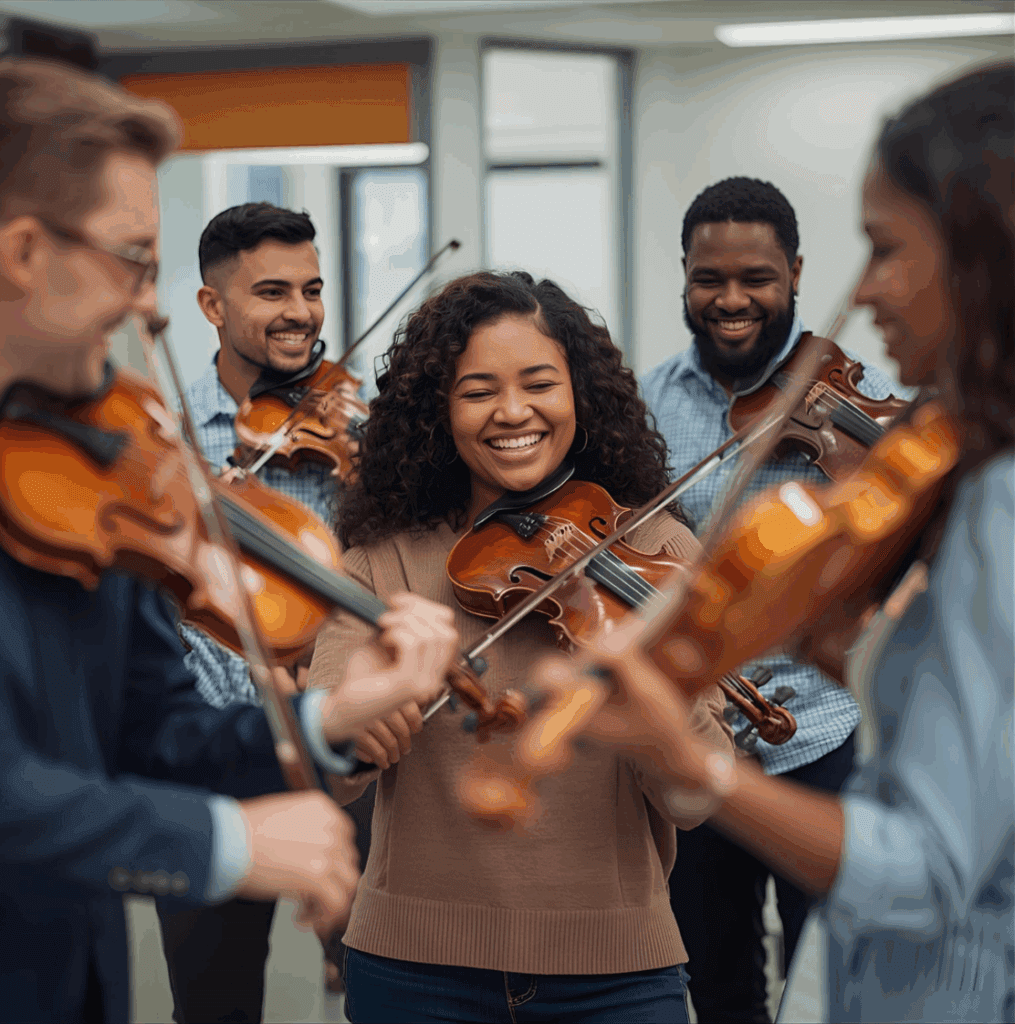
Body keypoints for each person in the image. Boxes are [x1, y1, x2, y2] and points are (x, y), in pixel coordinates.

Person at [522, 60, 1013, 1024]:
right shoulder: (654, 401)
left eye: (887, 249)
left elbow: (924, 874)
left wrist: (697, 770)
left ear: (979, 255)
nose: (863, 288)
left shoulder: (990, 500)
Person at [0, 55, 460, 1024]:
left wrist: (330, 719)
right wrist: (221, 844)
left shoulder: (108, 467)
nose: (149, 302)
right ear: (25, 254)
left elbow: (153, 736)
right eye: (131, 258)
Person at [305, 269, 735, 1024]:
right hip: (414, 972)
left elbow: (694, 799)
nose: (512, 413)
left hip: (617, 976)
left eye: (539, 384)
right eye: (477, 392)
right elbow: (334, 775)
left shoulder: (653, 552)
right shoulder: (384, 559)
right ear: (437, 411)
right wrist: (361, 718)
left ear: (581, 396)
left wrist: (642, 677)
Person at [640, 176, 908, 1021]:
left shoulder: (853, 414)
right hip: (700, 737)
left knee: (827, 980)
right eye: (707, 278)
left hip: (824, 737)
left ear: (794, 272)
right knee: (715, 980)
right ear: (682, 276)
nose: (730, 300)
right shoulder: (647, 406)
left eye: (755, 278)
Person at [155, 201, 387, 1022]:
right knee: (212, 1002)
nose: (301, 313)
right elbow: (160, 617)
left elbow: (396, 582)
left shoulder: (361, 429)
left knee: (380, 979)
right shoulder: (165, 439)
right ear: (213, 308)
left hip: (352, 746)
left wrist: (377, 475)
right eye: (272, 292)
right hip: (216, 758)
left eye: (312, 289)